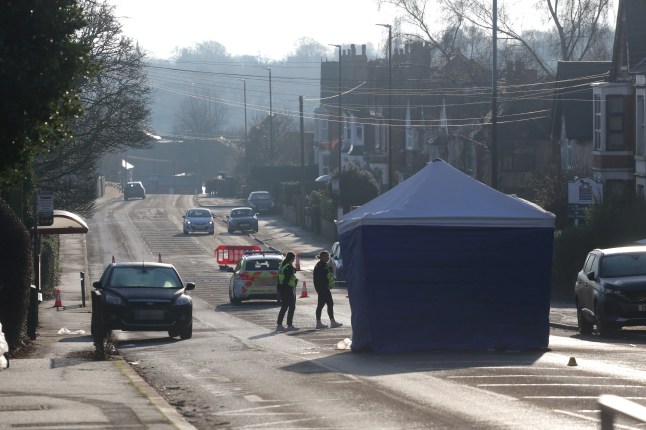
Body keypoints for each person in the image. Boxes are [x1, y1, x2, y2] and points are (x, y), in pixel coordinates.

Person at [313, 251, 343, 329]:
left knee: (325, 304)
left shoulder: (322, 265)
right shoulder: (320, 266)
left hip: (323, 288)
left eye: (328, 256)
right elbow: (323, 277)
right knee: (326, 304)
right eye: (327, 256)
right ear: (322, 257)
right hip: (323, 288)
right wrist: (330, 268)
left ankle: (325, 322)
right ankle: (325, 322)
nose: (328, 258)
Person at [276, 251, 298, 332]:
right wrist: (294, 282)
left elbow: (280, 278)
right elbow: (287, 278)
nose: (294, 260)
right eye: (294, 259)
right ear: (292, 258)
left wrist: (280, 288)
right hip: (288, 289)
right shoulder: (288, 267)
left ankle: (279, 325)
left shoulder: (283, 266)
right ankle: (289, 325)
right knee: (292, 306)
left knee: (284, 306)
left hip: (282, 288)